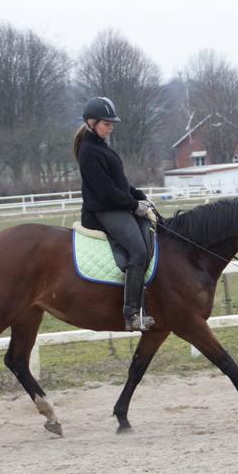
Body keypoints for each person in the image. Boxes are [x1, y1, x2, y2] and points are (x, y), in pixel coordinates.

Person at [74, 96, 157, 331]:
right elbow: (106, 191)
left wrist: (139, 196)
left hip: (115, 205)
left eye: (111, 124)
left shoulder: (100, 146)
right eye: (106, 123)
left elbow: (119, 183)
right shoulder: (89, 150)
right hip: (103, 211)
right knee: (138, 251)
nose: (110, 128)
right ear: (91, 122)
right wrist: (133, 206)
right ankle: (132, 313)